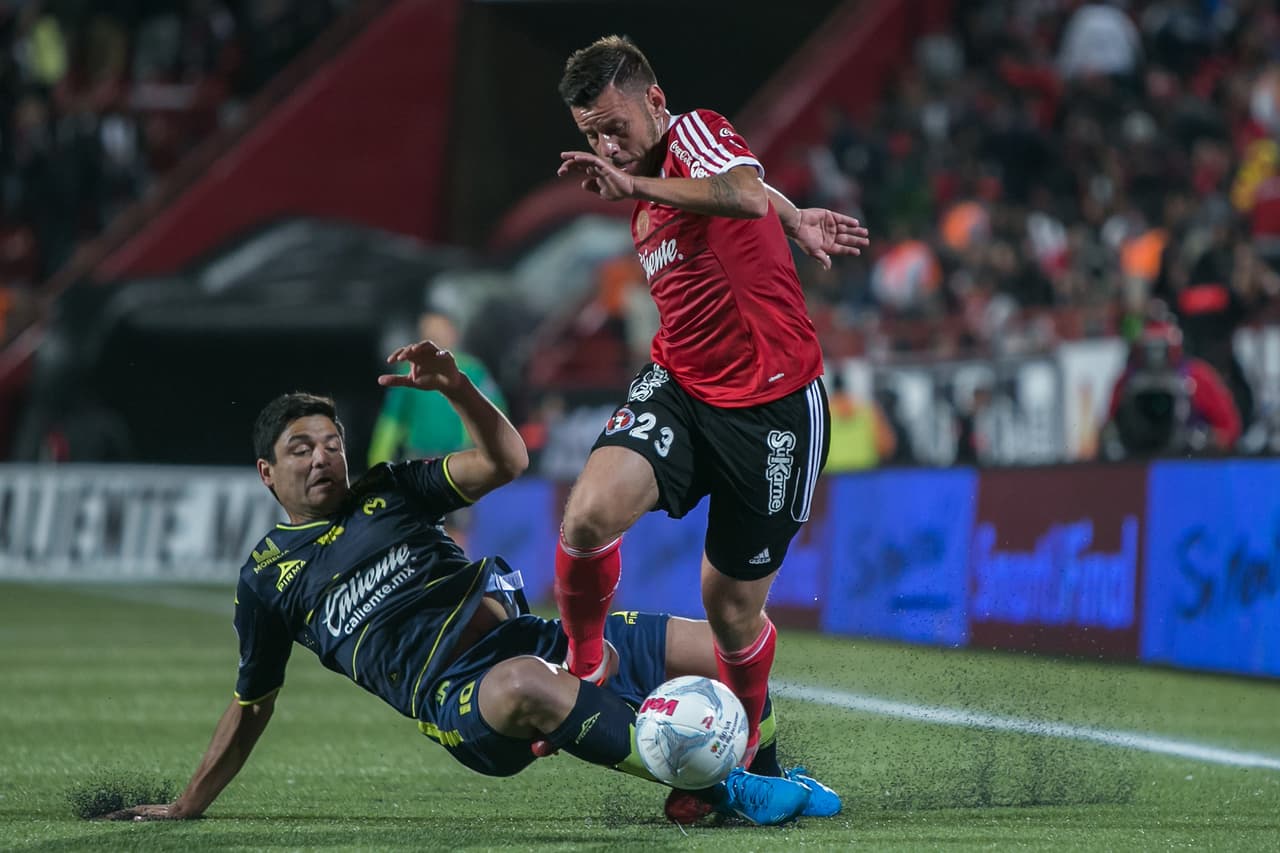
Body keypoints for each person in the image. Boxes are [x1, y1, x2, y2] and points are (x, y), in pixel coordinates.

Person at [102, 340, 839, 826]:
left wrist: (456, 387)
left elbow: (507, 460)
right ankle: (727, 790)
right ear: (268, 473)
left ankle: (763, 770)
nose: (323, 457)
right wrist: (187, 804)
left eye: (331, 442)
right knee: (525, 683)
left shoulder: (390, 489)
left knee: (721, 644)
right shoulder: (268, 579)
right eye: (302, 449)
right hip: (460, 697)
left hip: (538, 636)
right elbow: (251, 702)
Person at [551, 35, 868, 821]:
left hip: (774, 409)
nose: (605, 145)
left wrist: (769, 210)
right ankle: (586, 666)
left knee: (729, 607)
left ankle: (748, 760)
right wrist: (797, 221)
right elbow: (754, 200)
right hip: (683, 387)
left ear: (653, 102)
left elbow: (741, 193)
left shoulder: (691, 130)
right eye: (592, 134)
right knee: (588, 513)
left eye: (614, 124)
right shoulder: (649, 191)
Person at [367, 310, 507, 467]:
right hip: (418, 458)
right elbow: (391, 421)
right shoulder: (408, 371)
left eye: (439, 330)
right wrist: (378, 465)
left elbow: (497, 413)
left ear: (453, 333)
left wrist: (497, 455)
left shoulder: (473, 370)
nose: (434, 336)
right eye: (428, 331)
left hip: (461, 455)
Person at [1103, 322, 1241, 458]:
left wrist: (1203, 440)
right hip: (1136, 458)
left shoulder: (1197, 377)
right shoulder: (1128, 381)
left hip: (1187, 462)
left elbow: (1230, 429)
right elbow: (1108, 428)